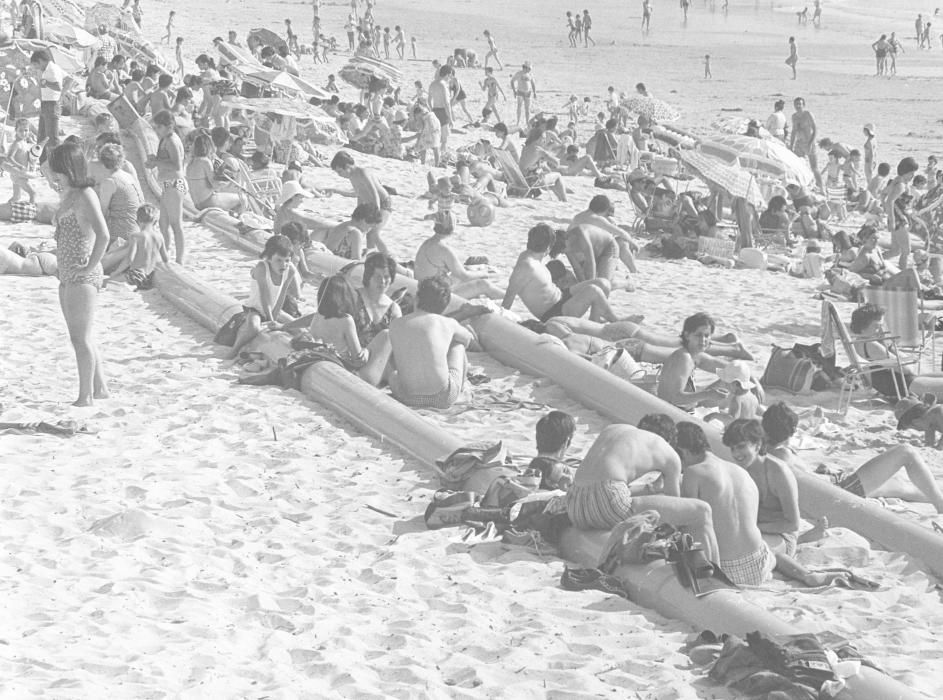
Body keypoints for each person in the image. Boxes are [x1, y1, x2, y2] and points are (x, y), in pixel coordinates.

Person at [684, 421, 847, 586]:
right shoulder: (741, 470)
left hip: (783, 534)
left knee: (754, 547)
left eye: (741, 447)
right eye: (733, 448)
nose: (736, 454)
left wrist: (754, 528)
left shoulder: (777, 472)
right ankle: (807, 538)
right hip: (760, 529)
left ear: (757, 444)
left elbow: (792, 523)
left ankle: (807, 572)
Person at [567, 421, 719, 562]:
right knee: (702, 511)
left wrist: (650, 489)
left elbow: (600, 485)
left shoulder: (614, 429)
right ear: (670, 440)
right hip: (609, 503)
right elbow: (675, 510)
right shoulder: (667, 451)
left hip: (574, 506)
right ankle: (713, 574)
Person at [764, 402, 943, 513]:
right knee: (906, 452)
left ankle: (938, 498)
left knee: (897, 485)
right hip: (840, 490)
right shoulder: (783, 455)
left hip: (835, 485)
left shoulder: (767, 452)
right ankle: (940, 506)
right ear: (793, 430)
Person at [48, 142, 110, 406]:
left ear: (69, 169)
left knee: (80, 338)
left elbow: (104, 235)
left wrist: (89, 265)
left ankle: (85, 397)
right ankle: (99, 388)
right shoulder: (69, 194)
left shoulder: (85, 194)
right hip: (67, 273)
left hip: (82, 276)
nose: (54, 177)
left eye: (58, 172)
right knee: (81, 335)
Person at [503, 224, 628, 323]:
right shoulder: (525, 267)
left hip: (562, 296)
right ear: (548, 247)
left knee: (603, 283)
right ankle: (614, 320)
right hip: (554, 313)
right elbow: (509, 297)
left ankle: (595, 321)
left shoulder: (531, 256)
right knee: (593, 290)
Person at [387, 276, 471, 409]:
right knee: (458, 345)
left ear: (417, 298)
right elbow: (468, 338)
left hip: (408, 397)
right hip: (442, 397)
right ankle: (462, 391)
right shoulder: (447, 323)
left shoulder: (396, 324)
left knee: (394, 375)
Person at [308, 275, 393, 383]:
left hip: (325, 367)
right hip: (348, 375)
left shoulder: (317, 316)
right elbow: (358, 360)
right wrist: (367, 351)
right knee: (386, 335)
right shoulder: (345, 320)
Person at [228, 235, 299, 359]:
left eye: (287, 260)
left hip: (274, 308)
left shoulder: (290, 270)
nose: (284, 264)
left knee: (297, 326)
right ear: (269, 258)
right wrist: (270, 319)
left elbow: (282, 294)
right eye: (279, 260)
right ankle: (234, 350)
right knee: (254, 328)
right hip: (255, 308)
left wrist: (275, 317)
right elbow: (264, 295)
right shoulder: (261, 268)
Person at [414, 216, 504, 299]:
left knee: (464, 272)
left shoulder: (427, 243)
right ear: (452, 228)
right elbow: (465, 276)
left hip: (423, 291)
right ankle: (507, 296)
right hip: (437, 297)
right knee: (483, 284)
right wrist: (484, 273)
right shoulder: (443, 249)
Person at [657, 312, 731, 410]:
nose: (703, 340)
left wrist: (751, 379)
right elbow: (674, 398)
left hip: (681, 410)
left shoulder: (695, 355)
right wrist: (707, 394)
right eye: (698, 335)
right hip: (671, 413)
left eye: (707, 335)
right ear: (687, 335)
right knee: (732, 385)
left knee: (733, 379)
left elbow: (730, 368)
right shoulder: (683, 358)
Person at [330, 151, 392, 255]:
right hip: (371, 205)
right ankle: (371, 255)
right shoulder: (351, 176)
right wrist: (358, 213)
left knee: (373, 234)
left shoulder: (362, 173)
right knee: (367, 233)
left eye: (340, 171)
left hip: (383, 203)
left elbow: (375, 194)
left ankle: (389, 258)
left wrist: (374, 214)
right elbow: (359, 195)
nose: (339, 175)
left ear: (347, 167)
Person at [145, 110, 187, 264]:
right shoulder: (165, 139)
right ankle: (166, 255)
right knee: (163, 223)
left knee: (176, 224)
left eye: (158, 127)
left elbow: (176, 165)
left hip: (175, 183)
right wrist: (154, 160)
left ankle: (180, 259)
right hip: (169, 184)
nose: (156, 131)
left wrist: (156, 162)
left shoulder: (172, 141)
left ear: (168, 126)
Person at [571, 195, 640, 279]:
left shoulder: (577, 217)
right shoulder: (597, 219)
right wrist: (633, 243)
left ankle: (618, 268)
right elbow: (621, 233)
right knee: (622, 242)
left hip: (578, 256)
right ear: (604, 209)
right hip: (590, 258)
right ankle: (633, 270)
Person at [103, 204, 168, 290]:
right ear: (155, 222)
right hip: (149, 278)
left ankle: (127, 285)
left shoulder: (136, 237)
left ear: (138, 221)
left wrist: (115, 272)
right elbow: (165, 259)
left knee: (104, 282)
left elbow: (129, 260)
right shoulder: (159, 237)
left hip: (135, 275)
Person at [96, 143, 144, 246]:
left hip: (120, 234)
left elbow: (102, 213)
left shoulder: (110, 182)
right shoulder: (129, 176)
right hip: (136, 229)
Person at [186, 132, 243, 214]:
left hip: (197, 203)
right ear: (209, 146)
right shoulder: (205, 161)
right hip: (208, 201)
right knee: (242, 199)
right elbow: (215, 185)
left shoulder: (190, 163)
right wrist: (227, 180)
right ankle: (239, 222)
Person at [30, 50, 66, 160]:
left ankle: (56, 163)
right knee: (42, 136)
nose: (36, 67)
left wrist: (45, 83)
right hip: (46, 104)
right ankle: (43, 163)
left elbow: (58, 87)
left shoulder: (53, 69)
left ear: (40, 61)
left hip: (52, 104)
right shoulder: (48, 69)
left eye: (35, 65)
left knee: (52, 138)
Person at [885, 156, 919, 269]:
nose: (912, 176)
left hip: (897, 219)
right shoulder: (900, 185)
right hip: (900, 220)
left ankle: (875, 260)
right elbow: (890, 201)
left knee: (895, 251)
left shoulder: (897, 180)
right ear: (905, 172)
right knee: (906, 250)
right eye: (911, 173)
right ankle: (903, 273)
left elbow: (883, 194)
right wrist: (893, 221)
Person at [789, 97, 822, 189]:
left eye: (800, 104)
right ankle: (801, 185)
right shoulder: (794, 116)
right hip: (799, 143)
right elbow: (793, 131)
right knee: (796, 165)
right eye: (796, 104)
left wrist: (811, 143)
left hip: (809, 142)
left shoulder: (808, 114)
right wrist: (791, 145)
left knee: (814, 167)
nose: (798, 106)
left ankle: (821, 187)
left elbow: (815, 129)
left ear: (803, 105)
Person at [6, 118, 37, 204]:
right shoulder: (16, 144)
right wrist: (19, 166)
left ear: (29, 130)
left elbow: (27, 156)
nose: (23, 133)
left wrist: (32, 164)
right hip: (18, 174)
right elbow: (9, 157)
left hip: (22, 174)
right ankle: (32, 212)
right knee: (33, 193)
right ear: (16, 130)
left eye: (26, 130)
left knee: (16, 197)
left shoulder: (24, 142)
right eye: (20, 130)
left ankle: (4, 210)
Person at [428, 66, 453, 158]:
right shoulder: (443, 85)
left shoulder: (432, 84)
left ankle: (436, 155)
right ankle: (441, 156)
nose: (450, 77)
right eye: (449, 75)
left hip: (435, 110)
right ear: (447, 74)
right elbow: (447, 103)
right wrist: (450, 118)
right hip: (443, 112)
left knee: (436, 136)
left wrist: (431, 110)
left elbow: (429, 99)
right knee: (444, 138)